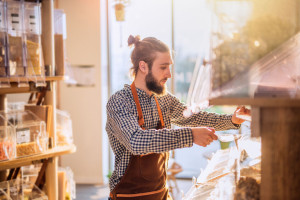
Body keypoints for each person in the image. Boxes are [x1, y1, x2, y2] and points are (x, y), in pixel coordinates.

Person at [106, 35, 250, 200]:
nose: (169, 74)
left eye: (170, 67)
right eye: (163, 67)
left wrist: (232, 120)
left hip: (160, 194)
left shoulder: (164, 100)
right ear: (143, 66)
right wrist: (191, 135)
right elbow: (136, 141)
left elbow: (193, 117)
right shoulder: (120, 102)